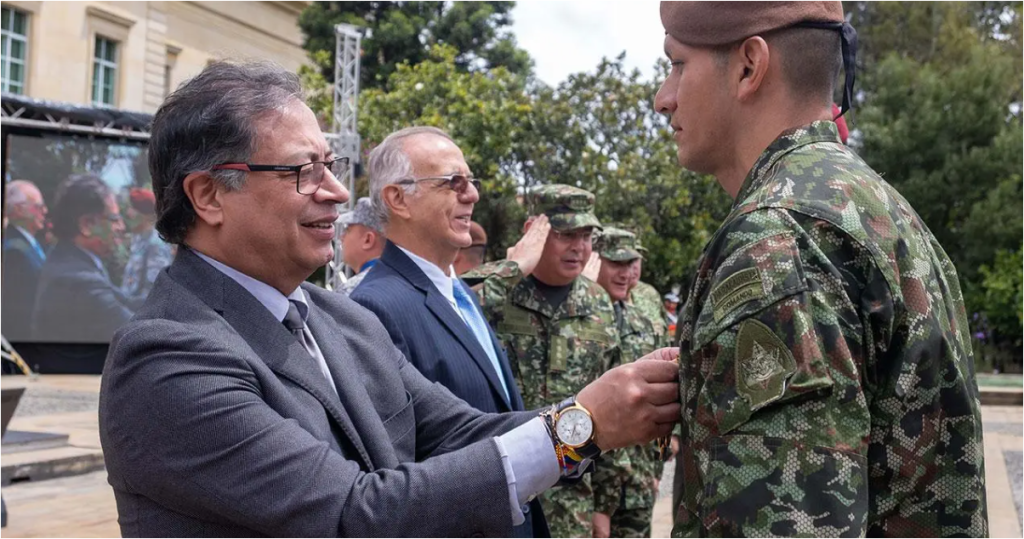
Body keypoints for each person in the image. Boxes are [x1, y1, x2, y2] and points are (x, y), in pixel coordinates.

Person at [98, 60, 681, 538]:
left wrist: (608, 412)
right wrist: (574, 429)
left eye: (330, 167)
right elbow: (352, 515)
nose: (334, 192)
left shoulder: (339, 319)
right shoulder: (168, 358)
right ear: (209, 196)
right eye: (303, 172)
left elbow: (461, 432)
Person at [656, 0, 986, 535]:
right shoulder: (875, 206)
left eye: (676, 64)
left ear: (748, 67)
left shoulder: (777, 240)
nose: (662, 98)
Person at [351, 126, 545, 537]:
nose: (471, 194)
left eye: (471, 181)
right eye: (452, 182)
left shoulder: (459, 296)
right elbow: (400, 472)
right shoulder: (375, 308)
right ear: (397, 198)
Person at [464, 184, 620, 539]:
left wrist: (604, 506)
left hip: (571, 499)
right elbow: (446, 311)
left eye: (586, 235)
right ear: (533, 232)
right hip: (500, 487)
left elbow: (612, 402)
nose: (579, 246)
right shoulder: (497, 288)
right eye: (566, 234)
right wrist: (513, 267)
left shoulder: (598, 303)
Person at [592, 228, 666, 539]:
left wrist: (658, 466)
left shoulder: (642, 318)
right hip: (592, 484)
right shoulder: (581, 326)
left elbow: (660, 396)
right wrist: (601, 505)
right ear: (596, 262)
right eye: (615, 264)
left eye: (629, 264)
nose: (625, 274)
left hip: (638, 478)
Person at [31, 174, 133, 370]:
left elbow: (125, 300)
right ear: (87, 225)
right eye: (114, 219)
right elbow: (134, 330)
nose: (121, 227)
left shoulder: (73, 261)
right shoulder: (77, 280)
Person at [1, 180, 48, 341]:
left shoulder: (29, 243)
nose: (45, 211)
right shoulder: (15, 251)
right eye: (39, 206)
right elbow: (18, 314)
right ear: (20, 210)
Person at [121, 187, 174, 301]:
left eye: (132, 208)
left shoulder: (156, 243)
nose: (128, 213)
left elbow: (156, 289)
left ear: (144, 214)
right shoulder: (138, 239)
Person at [336, 197, 385, 296]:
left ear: (368, 240)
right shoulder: (410, 281)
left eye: (348, 230)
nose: (342, 237)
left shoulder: (354, 290)